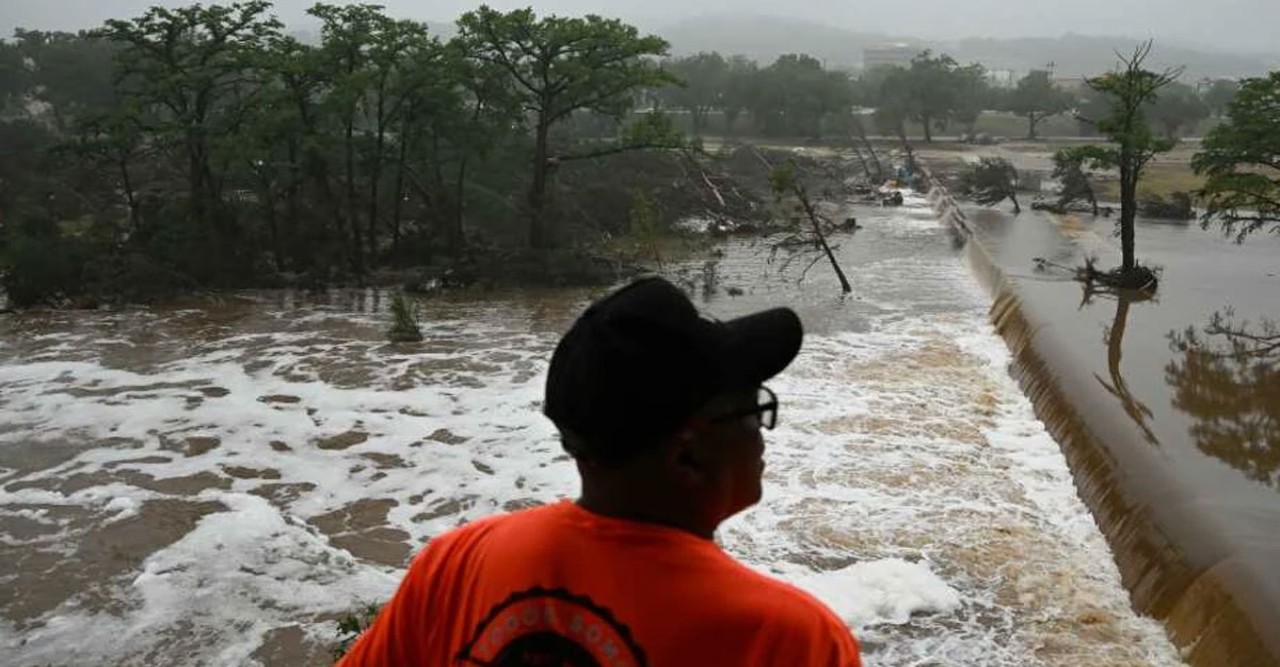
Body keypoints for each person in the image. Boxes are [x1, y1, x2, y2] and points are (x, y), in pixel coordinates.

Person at [338, 276, 862, 667]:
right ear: (687, 457)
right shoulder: (787, 639)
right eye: (754, 408)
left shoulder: (457, 565)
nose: (761, 434)